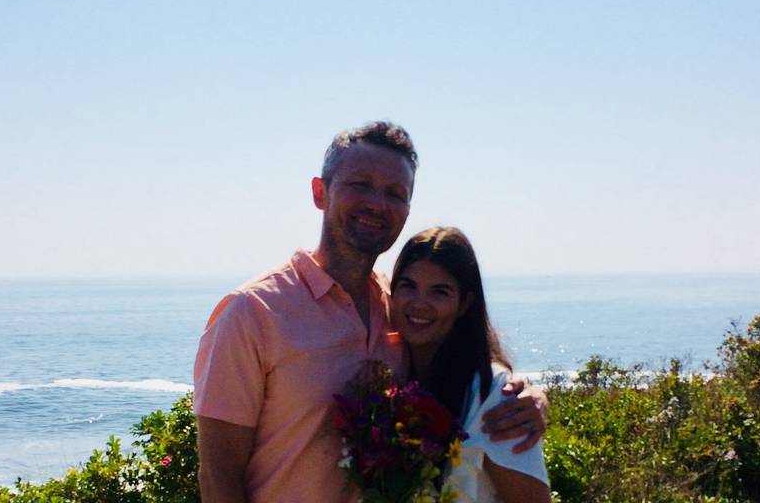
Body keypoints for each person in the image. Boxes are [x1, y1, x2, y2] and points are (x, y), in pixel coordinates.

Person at [194, 121, 548, 503]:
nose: (377, 204)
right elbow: (218, 477)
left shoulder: (395, 305)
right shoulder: (252, 313)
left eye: (395, 193)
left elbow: (460, 354)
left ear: (407, 210)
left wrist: (525, 395)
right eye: (360, 184)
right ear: (320, 192)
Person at [390, 226, 552, 503]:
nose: (420, 303)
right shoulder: (390, 378)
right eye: (408, 286)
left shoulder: (493, 395)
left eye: (439, 292)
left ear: (464, 303)